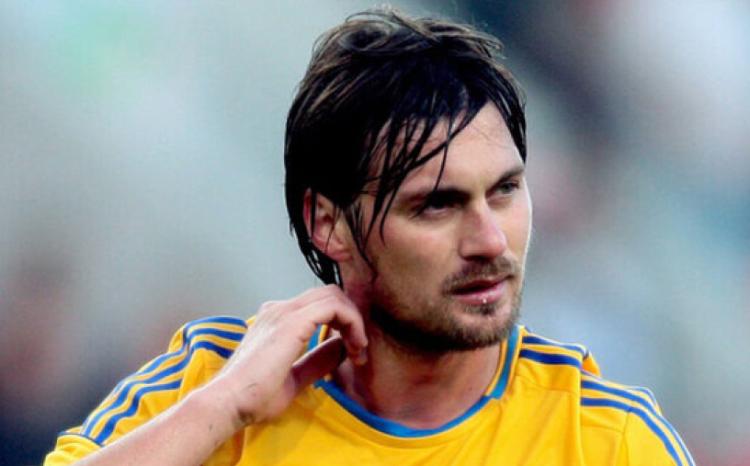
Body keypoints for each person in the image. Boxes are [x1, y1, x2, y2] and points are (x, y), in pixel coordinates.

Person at [44, 8, 694, 466]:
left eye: (504, 191)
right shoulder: (212, 388)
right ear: (328, 223)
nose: (490, 240)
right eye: (436, 206)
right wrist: (227, 407)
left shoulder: (603, 440)